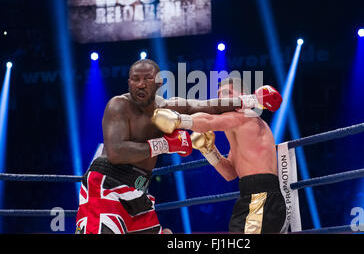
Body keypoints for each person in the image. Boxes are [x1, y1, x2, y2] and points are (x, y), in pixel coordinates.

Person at [75, 60, 266, 234]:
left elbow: (210, 106)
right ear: (129, 83)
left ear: (159, 83)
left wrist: (252, 100)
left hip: (139, 189)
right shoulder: (118, 105)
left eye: (147, 78)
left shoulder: (169, 107)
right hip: (107, 185)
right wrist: (166, 144)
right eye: (135, 79)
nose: (141, 84)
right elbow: (116, 153)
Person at [152, 77, 286, 233]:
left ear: (242, 95)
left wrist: (179, 120)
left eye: (227, 93)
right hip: (250, 197)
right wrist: (209, 150)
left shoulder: (246, 117)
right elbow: (230, 173)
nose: (222, 99)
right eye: (220, 95)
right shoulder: (236, 130)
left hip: (262, 197)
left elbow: (209, 120)